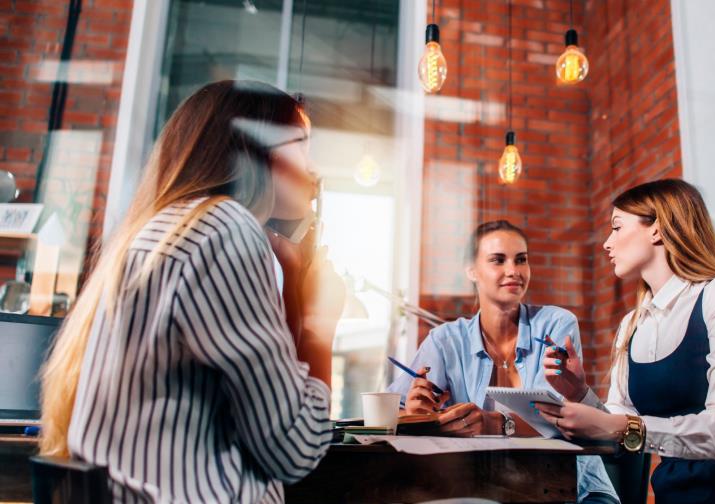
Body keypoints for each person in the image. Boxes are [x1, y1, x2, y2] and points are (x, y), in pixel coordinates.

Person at [39, 80, 346, 502]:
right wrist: (319, 324)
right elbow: (295, 450)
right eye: (302, 145)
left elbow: (264, 410)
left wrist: (294, 285)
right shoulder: (223, 230)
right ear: (254, 153)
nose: (315, 171)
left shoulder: (169, 230)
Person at [536, 179, 715, 503]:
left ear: (657, 229)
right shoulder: (632, 324)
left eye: (617, 227)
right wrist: (578, 392)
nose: (607, 244)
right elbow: (615, 428)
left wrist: (617, 427)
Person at [388, 220, 619, 504]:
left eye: (521, 260)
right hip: (484, 488)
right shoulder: (445, 340)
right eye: (498, 260)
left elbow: (558, 418)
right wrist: (416, 415)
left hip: (572, 487)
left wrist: (491, 422)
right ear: (472, 271)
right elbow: (389, 413)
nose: (513, 271)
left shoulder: (556, 324)